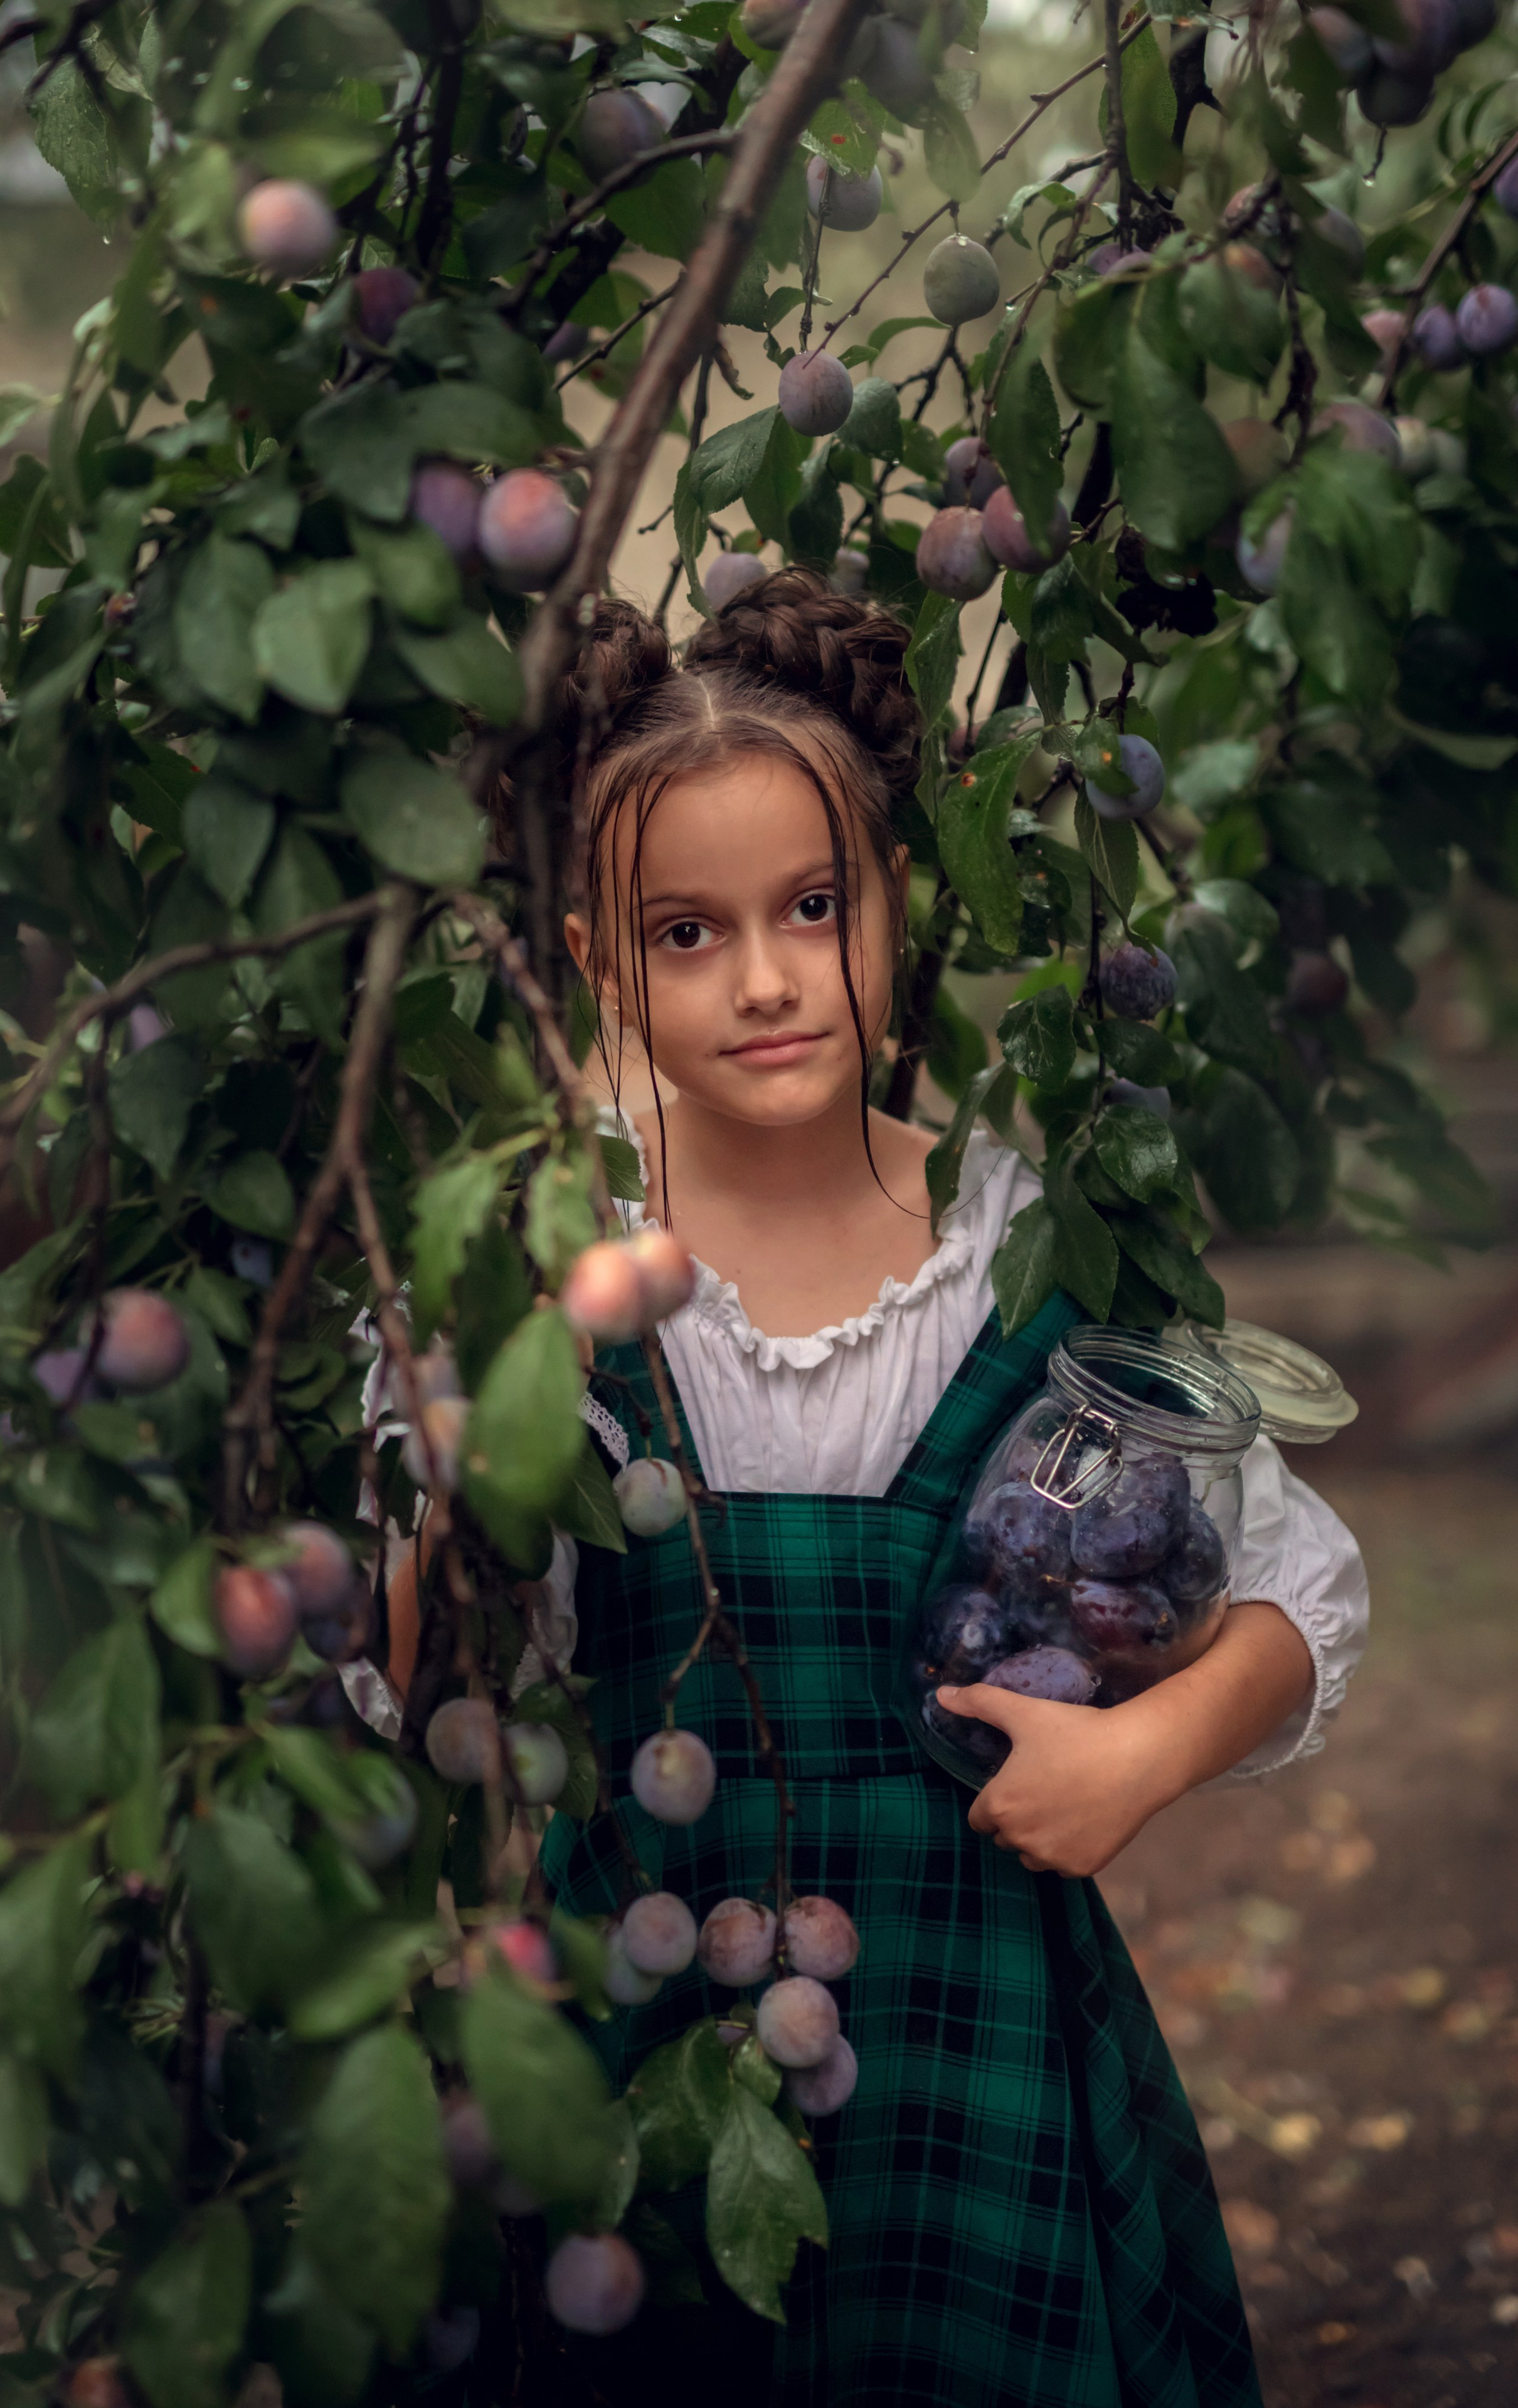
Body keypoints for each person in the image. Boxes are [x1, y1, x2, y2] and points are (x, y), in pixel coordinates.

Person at [384, 570, 1367, 2406]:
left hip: (968, 2010)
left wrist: (1144, 1757)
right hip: (633, 2028)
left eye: (814, 908)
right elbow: (415, 1672)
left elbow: (1292, 1586)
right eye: (687, 933)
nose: (766, 976)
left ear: (891, 911)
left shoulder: (1015, 1244)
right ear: (600, 963)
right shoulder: (530, 1271)